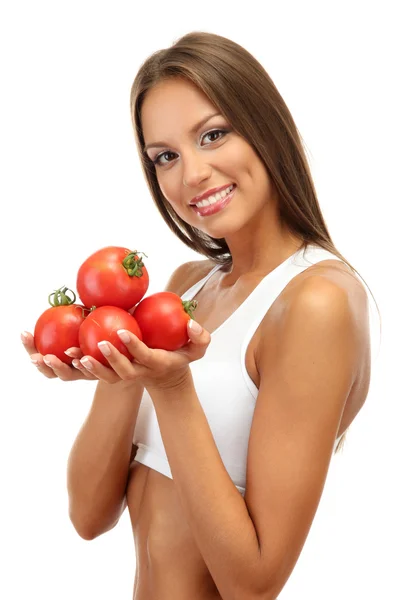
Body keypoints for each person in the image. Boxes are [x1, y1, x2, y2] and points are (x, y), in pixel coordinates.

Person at [22, 31, 379, 600]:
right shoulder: (189, 287)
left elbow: (253, 583)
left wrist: (170, 385)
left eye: (213, 135)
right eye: (165, 156)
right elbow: (88, 516)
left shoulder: (317, 301)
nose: (191, 176)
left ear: (265, 127)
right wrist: (119, 364)